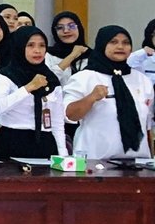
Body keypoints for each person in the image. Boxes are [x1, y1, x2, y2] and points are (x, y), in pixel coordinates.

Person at [65, 25, 154, 159]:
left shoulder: (141, 80)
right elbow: (70, 115)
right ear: (102, 45)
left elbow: (146, 126)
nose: (120, 47)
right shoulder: (85, 77)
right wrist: (91, 98)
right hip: (95, 160)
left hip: (138, 161)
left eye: (126, 43)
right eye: (113, 42)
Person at [0, 26, 67, 160]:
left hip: (45, 142)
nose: (37, 50)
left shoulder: (51, 79)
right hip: (12, 140)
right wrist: (28, 88)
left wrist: (63, 155)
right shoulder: (6, 76)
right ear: (20, 47)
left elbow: (57, 122)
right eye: (30, 45)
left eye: (42, 45)